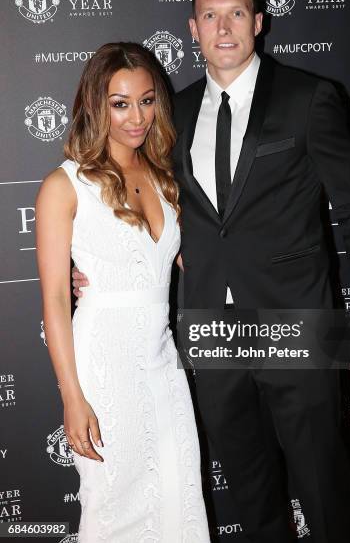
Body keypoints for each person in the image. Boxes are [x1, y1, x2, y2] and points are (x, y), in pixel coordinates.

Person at [73, 0, 350, 542]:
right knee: (250, 493)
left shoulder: (309, 98)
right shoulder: (172, 113)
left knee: (326, 487)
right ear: (192, 28)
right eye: (210, 15)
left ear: (259, 22)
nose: (223, 27)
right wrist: (95, 263)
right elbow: (146, 204)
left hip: (296, 324)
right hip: (211, 334)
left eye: (236, 13)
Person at [36, 42, 210, 543]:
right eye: (120, 103)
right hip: (102, 368)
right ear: (96, 105)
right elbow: (53, 300)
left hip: (162, 365)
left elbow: (192, 264)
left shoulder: (167, 178)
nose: (137, 116)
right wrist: (73, 397)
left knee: (178, 493)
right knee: (112, 505)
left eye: (147, 100)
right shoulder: (63, 186)